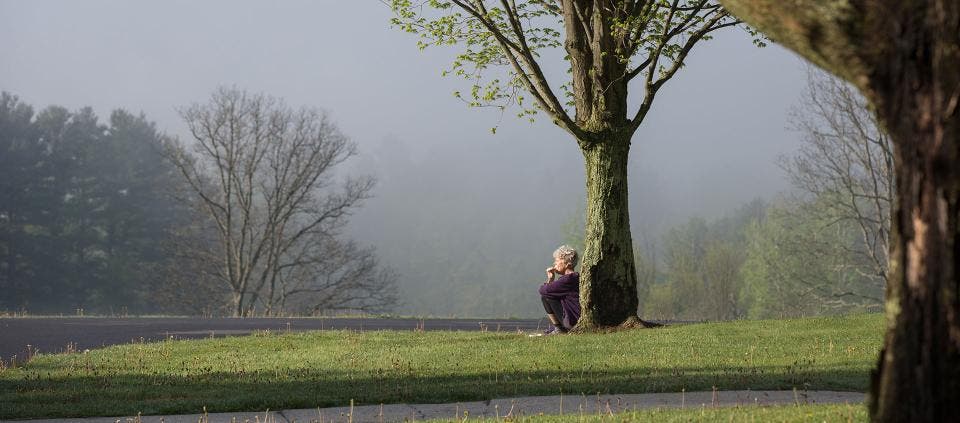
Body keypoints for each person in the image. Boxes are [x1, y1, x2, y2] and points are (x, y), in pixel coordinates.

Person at [538, 245, 581, 334]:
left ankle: (559, 329)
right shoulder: (575, 277)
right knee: (549, 294)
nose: (554, 263)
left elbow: (543, 291)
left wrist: (550, 279)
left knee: (545, 297)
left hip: (573, 321)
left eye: (557, 260)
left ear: (567, 263)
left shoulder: (567, 280)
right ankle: (559, 328)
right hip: (576, 318)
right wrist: (551, 279)